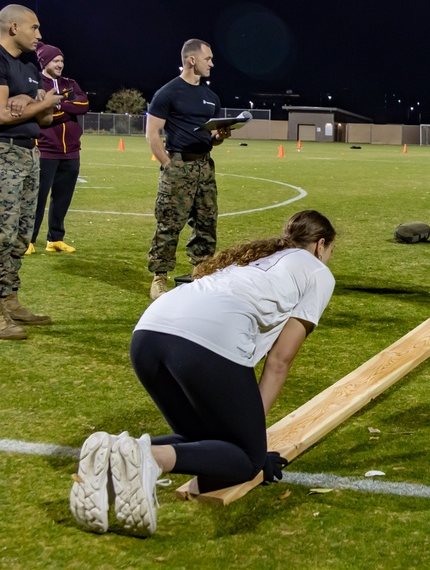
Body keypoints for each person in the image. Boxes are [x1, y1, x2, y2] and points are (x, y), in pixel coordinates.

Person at [69, 209, 337, 537]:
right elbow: (280, 361)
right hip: (204, 343)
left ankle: (110, 457)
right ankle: (149, 457)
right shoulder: (318, 273)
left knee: (203, 443)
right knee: (246, 460)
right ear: (321, 245)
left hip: (148, 334)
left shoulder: (256, 258)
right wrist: (251, 439)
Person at [146, 39, 232, 300]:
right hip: (178, 165)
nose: (212, 64)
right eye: (208, 59)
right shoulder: (168, 93)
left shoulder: (211, 97)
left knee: (206, 222)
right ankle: (159, 278)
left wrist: (220, 137)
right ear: (192, 60)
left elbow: (213, 138)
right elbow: (152, 133)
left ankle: (201, 271)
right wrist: (168, 165)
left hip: (205, 166)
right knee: (169, 222)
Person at [0, 4, 61, 341]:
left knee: (22, 235)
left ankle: (10, 301)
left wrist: (31, 103)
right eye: (34, 28)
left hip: (29, 154)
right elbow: (2, 116)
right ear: (13, 27)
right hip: (3, 152)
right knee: (1, 234)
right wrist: (40, 103)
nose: (39, 35)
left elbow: (46, 119)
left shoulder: (29, 66)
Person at [29, 43, 89, 254]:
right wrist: (57, 109)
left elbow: (84, 105)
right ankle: (28, 239)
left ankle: (55, 239)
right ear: (45, 62)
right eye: (56, 60)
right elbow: (41, 116)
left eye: (62, 60)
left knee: (63, 197)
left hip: (71, 151)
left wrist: (59, 104)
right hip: (45, 150)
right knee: (37, 198)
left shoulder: (70, 83)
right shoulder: (36, 83)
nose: (60, 64)